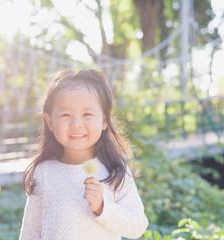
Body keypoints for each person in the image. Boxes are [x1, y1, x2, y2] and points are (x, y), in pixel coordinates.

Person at [19, 69, 148, 240]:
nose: (76, 123)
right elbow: (30, 232)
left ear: (103, 120)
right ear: (50, 121)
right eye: (66, 115)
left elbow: (137, 226)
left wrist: (102, 206)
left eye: (87, 114)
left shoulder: (114, 170)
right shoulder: (44, 173)